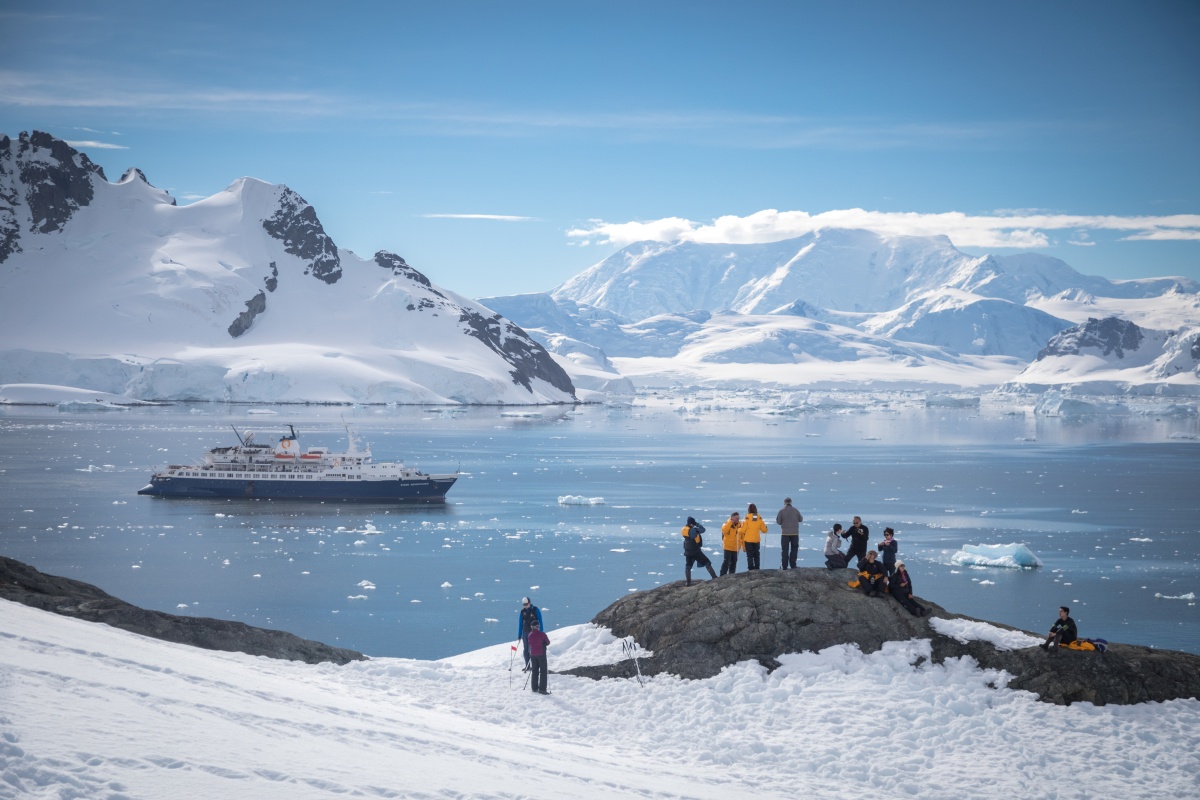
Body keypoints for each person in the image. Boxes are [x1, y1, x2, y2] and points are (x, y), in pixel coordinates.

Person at [681, 515, 717, 585]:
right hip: (695, 551)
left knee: (688, 565)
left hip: (687, 551)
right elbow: (703, 530)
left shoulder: (684, 530)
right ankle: (714, 577)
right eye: (693, 523)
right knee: (707, 562)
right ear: (692, 523)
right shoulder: (693, 530)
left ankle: (688, 582)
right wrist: (697, 524)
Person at [515, 596, 544, 672]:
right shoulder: (522, 612)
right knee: (526, 650)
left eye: (526, 604)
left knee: (533, 649)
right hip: (525, 632)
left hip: (534, 633)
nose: (525, 606)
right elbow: (520, 623)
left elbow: (540, 620)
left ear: (529, 603)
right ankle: (527, 666)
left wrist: (541, 632)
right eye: (524, 605)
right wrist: (519, 634)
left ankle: (535, 666)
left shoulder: (535, 610)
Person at [776, 497, 803, 569]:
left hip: (785, 533)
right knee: (794, 548)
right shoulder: (795, 510)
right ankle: (793, 565)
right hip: (795, 533)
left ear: (784, 503)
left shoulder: (781, 511)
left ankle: (784, 566)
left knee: (785, 549)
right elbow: (801, 519)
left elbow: (778, 522)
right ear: (791, 502)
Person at [527, 620, 551, 695]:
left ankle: (534, 688)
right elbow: (548, 642)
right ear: (537, 626)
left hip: (533, 655)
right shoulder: (542, 634)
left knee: (534, 671)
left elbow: (530, 643)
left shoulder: (530, 635)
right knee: (543, 671)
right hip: (541, 654)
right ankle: (542, 689)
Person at [742, 503, 767, 570]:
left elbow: (743, 529)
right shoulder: (758, 518)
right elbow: (764, 530)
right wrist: (766, 529)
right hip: (756, 539)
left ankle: (750, 568)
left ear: (749, 510)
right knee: (756, 554)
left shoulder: (747, 518)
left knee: (749, 555)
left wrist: (738, 529)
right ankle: (757, 567)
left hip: (748, 540)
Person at [720, 511, 743, 576]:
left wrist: (743, 546)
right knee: (726, 562)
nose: (738, 520)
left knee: (734, 563)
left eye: (738, 518)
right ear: (732, 518)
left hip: (736, 547)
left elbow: (742, 535)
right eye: (736, 518)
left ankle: (732, 574)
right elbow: (724, 530)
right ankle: (722, 575)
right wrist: (730, 522)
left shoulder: (740, 525)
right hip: (728, 547)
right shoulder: (726, 524)